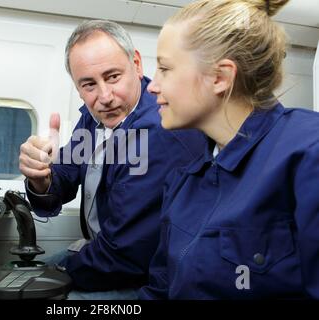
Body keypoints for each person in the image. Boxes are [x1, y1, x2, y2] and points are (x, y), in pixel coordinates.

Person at [139, 0, 319, 299]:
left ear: (220, 78)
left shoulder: (307, 153)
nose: (152, 86)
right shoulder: (185, 181)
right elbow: (160, 288)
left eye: (164, 69)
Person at [19, 20, 205, 299]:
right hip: (104, 256)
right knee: (19, 281)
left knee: (31, 292)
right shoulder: (94, 117)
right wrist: (42, 180)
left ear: (137, 64)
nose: (105, 96)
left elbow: (125, 255)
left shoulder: (158, 133)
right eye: (89, 84)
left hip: (142, 278)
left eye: (113, 76)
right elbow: (67, 175)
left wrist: (58, 274)